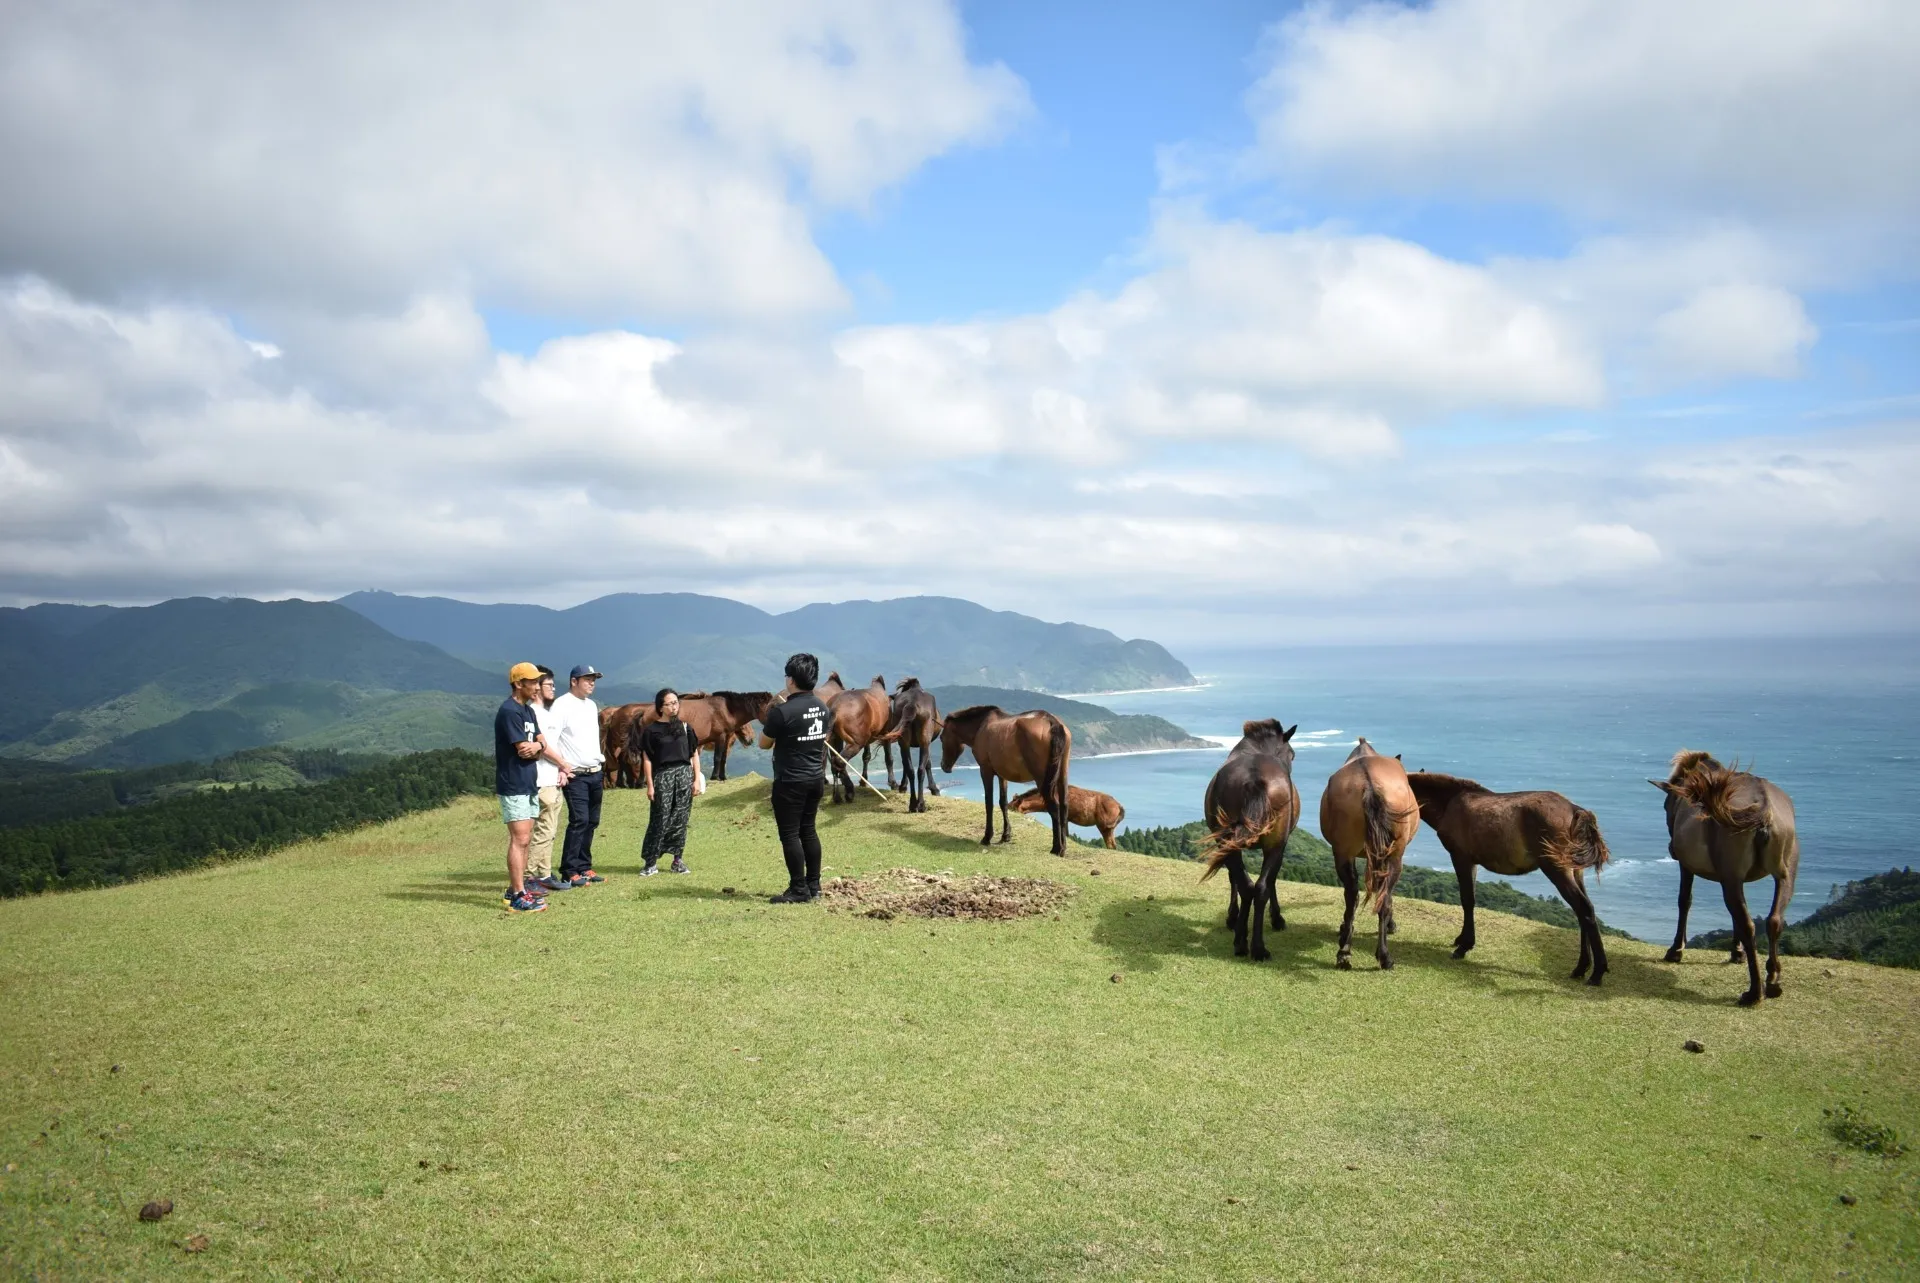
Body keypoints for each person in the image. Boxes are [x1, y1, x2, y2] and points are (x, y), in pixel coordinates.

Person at [756, 652, 833, 903]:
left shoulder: (782, 712)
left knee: (790, 835)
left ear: (790, 680)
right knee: (808, 831)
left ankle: (798, 889)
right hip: (815, 778)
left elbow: (763, 744)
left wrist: (775, 719)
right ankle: (814, 885)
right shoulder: (823, 708)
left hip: (790, 781)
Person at [494, 662, 551, 913]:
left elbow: (540, 744)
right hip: (513, 782)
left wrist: (537, 747)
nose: (537, 686)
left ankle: (516, 889)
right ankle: (518, 895)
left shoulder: (527, 711)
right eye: (533, 682)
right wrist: (537, 748)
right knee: (520, 839)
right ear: (519, 684)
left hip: (528, 781)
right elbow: (523, 749)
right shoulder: (509, 711)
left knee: (526, 839)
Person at [549, 663, 607, 886]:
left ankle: (584, 866)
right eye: (587, 679)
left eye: (593, 679)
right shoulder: (561, 705)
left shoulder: (591, 705)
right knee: (579, 820)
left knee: (592, 821)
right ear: (574, 681)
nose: (592, 683)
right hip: (576, 774)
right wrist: (561, 766)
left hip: (595, 771)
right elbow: (552, 739)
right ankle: (569, 870)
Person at [638, 687, 706, 875]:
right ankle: (650, 862)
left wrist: (696, 780)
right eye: (668, 704)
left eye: (675, 703)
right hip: (663, 776)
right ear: (660, 707)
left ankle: (677, 860)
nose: (673, 707)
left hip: (684, 775)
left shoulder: (685, 727)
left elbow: (694, 754)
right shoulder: (651, 731)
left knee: (681, 818)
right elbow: (647, 759)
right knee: (660, 818)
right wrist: (650, 785)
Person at [526, 667, 574, 894]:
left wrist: (561, 769)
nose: (553, 689)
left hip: (552, 778)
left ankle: (544, 873)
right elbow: (543, 748)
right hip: (541, 779)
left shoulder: (547, 714)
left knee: (550, 829)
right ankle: (528, 876)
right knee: (543, 830)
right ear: (537, 687)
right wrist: (563, 764)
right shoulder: (533, 714)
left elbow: (555, 745)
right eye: (549, 685)